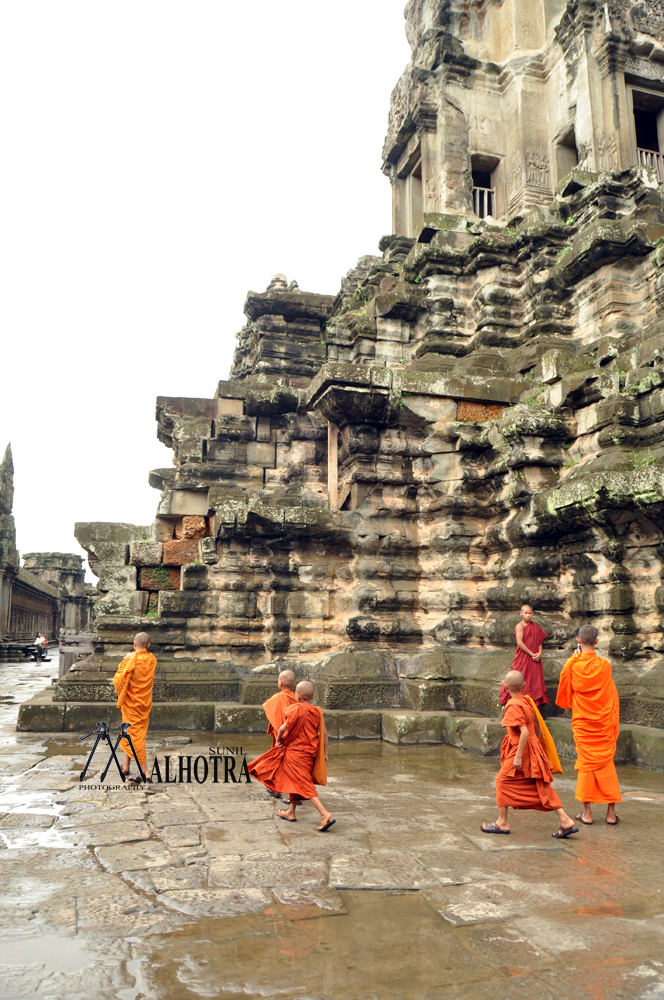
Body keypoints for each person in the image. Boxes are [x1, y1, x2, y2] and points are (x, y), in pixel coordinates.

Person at [482, 669, 578, 839]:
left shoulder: (513, 705)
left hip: (521, 750)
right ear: (524, 685)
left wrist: (518, 756)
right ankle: (565, 820)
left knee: (501, 781)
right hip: (532, 748)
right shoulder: (527, 701)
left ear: (504, 687)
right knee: (537, 786)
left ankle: (502, 823)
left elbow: (524, 732)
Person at [556, 624, 622, 826]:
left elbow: (564, 698)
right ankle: (611, 815)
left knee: (586, 765)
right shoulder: (604, 666)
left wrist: (574, 658)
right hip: (603, 724)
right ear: (597, 641)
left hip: (584, 723)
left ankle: (587, 814)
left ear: (578, 640)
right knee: (606, 764)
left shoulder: (572, 665)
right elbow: (611, 695)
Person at [249, 680, 335, 832]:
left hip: (295, 753)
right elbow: (324, 734)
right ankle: (291, 812)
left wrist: (277, 741)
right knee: (294, 779)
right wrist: (325, 753)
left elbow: (282, 729)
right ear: (313, 696)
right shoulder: (317, 711)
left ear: (296, 695)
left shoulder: (294, 709)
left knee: (304, 784)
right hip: (310, 752)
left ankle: (324, 814)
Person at [113, 631, 157, 784]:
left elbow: (118, 679)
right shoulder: (152, 659)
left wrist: (124, 660)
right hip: (144, 704)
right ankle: (126, 765)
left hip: (132, 703)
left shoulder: (130, 660)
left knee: (134, 736)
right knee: (134, 732)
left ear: (134, 644)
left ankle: (144, 772)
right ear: (148, 646)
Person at [499, 604, 548, 707]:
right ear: (521, 613)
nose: (528, 615)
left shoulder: (536, 627)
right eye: (525, 613)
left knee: (534, 680)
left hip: (535, 658)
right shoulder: (519, 626)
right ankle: (517, 704)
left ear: (532, 614)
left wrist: (539, 653)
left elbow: (539, 641)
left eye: (530, 613)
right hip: (524, 657)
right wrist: (532, 654)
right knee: (520, 677)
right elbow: (520, 642)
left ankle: (533, 706)